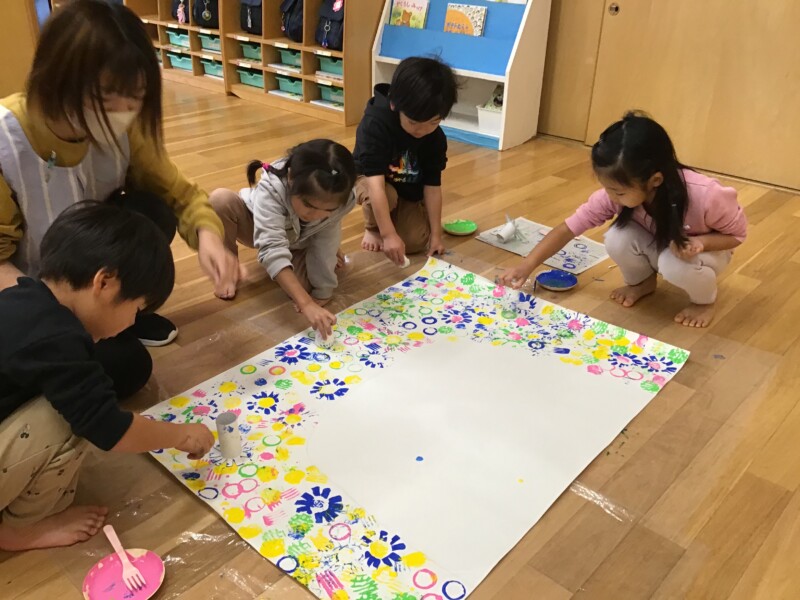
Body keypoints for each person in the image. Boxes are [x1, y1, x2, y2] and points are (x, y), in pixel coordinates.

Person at [0, 0, 238, 399]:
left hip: (99, 278)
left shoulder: (124, 126)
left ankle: (124, 312)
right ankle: (108, 320)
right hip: (36, 289)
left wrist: (209, 236)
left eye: (136, 98)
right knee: (124, 369)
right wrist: (51, 318)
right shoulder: (7, 139)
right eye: (108, 98)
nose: (124, 113)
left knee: (152, 211)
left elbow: (179, 193)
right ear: (59, 78)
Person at [0, 202, 214, 551]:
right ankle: (19, 529)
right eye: (137, 309)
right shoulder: (56, 338)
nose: (132, 322)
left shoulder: (23, 298)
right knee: (72, 419)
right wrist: (180, 434)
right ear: (104, 282)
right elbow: (110, 429)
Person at [499, 112, 748, 328]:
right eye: (607, 188)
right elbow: (568, 229)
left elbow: (737, 236)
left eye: (618, 192)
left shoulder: (706, 195)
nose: (610, 197)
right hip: (661, 247)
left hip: (704, 254)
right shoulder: (615, 195)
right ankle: (642, 283)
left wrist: (701, 243)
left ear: (655, 180)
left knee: (672, 263)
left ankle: (703, 302)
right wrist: (527, 265)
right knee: (616, 237)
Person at [209, 139, 357, 338]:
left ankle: (297, 259)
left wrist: (323, 290)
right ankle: (227, 270)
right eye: (309, 205)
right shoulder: (272, 188)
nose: (315, 215)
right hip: (255, 225)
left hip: (299, 240)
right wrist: (306, 304)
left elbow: (325, 240)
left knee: (309, 285)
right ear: (290, 179)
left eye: (327, 210)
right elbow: (270, 247)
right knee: (220, 201)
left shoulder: (342, 199)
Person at [353, 56, 458, 266]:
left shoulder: (436, 137)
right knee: (386, 196)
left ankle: (402, 213)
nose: (422, 130)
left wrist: (436, 235)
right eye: (413, 122)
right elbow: (376, 186)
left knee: (415, 242)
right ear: (394, 105)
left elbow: (433, 186)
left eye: (433, 122)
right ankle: (372, 227)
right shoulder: (376, 124)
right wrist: (386, 234)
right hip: (369, 179)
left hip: (406, 186)